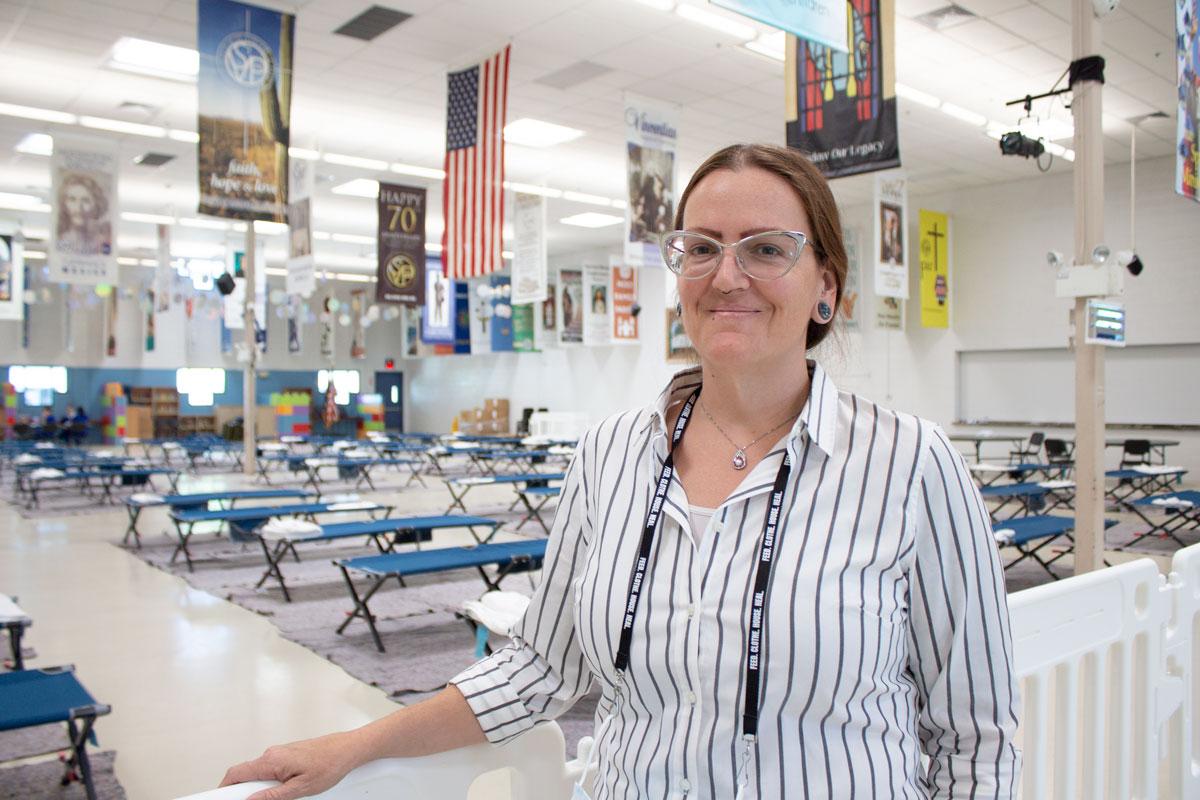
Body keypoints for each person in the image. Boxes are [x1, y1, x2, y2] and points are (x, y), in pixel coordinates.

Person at [219, 144, 1020, 800]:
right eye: (701, 248)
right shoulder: (610, 457)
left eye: (767, 249)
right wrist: (352, 747)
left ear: (827, 292)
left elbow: (975, 739)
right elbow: (538, 669)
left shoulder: (911, 465)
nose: (727, 274)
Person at [56, 172, 112, 256]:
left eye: (85, 200)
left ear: (96, 205)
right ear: (64, 203)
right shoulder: (60, 240)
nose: (79, 208)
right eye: (72, 199)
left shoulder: (102, 244)